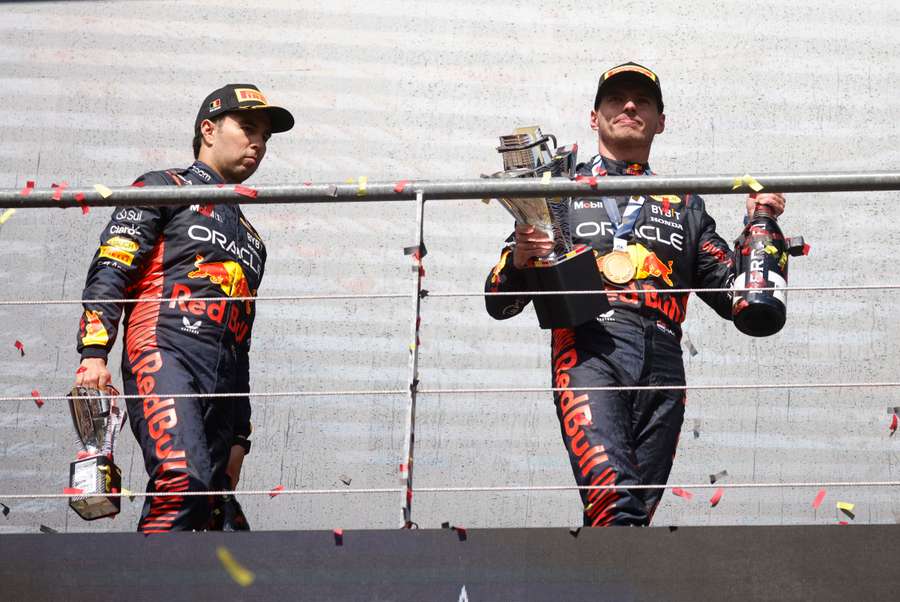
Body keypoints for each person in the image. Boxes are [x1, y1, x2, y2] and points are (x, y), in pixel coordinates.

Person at [484, 63, 786, 526]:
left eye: (642, 101)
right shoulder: (558, 191)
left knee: (634, 524)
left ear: (660, 121)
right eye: (616, 99)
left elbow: (737, 301)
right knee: (615, 502)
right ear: (593, 116)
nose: (629, 106)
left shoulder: (684, 203)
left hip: (665, 359)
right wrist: (522, 258)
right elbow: (498, 301)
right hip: (588, 348)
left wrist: (761, 222)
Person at [75, 84, 294, 532]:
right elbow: (112, 266)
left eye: (265, 137)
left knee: (220, 518)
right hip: (163, 350)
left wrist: (240, 437)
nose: (258, 143)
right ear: (208, 130)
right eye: (248, 128)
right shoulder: (162, 185)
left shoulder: (254, 239)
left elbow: (242, 342)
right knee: (181, 481)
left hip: (222, 383)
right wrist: (93, 352)